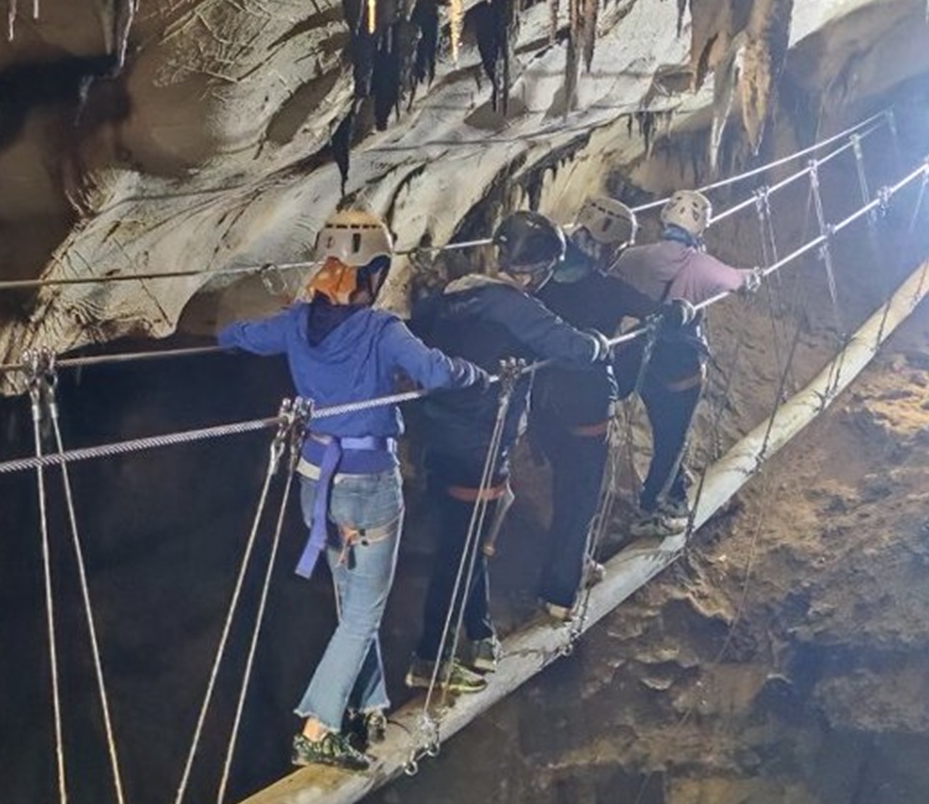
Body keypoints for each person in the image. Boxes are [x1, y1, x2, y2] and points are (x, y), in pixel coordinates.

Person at [219, 207, 488, 771]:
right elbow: (436, 373)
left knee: (352, 603)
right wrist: (476, 376)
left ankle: (369, 705)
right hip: (367, 482)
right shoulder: (382, 330)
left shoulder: (295, 323)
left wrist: (226, 332)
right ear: (376, 272)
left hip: (314, 477)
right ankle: (319, 727)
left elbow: (240, 336)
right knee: (364, 610)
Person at [406, 211, 608, 694]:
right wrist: (600, 345)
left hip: (434, 442)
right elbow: (572, 347)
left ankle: (478, 636)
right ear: (538, 271)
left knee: (467, 542)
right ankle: (429, 656)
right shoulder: (514, 307)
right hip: (480, 446)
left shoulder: (452, 298)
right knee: (459, 552)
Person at [529, 197, 687, 623]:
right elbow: (658, 313)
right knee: (578, 498)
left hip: (539, 407)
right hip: (585, 409)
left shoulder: (541, 280)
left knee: (565, 488)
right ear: (612, 248)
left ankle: (574, 563)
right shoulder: (606, 289)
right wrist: (678, 312)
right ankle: (559, 594)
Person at [610, 190, 761, 524]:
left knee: (658, 426)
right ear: (702, 226)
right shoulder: (704, 266)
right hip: (678, 365)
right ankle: (653, 506)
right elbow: (740, 282)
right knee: (672, 438)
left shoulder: (636, 256)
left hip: (637, 357)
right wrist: (751, 274)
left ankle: (674, 482)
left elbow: (613, 272)